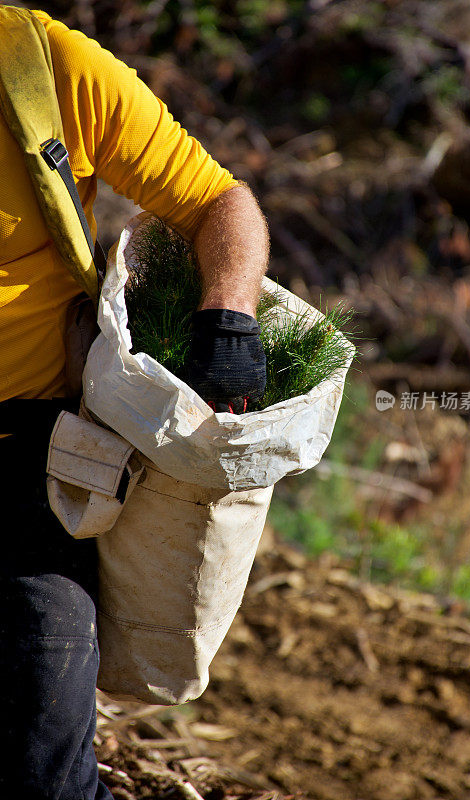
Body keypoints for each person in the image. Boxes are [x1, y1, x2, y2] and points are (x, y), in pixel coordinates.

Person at [0, 9, 268, 799]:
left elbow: (220, 202)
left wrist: (226, 317)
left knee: (42, 755)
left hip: (28, 459)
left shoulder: (38, 64)